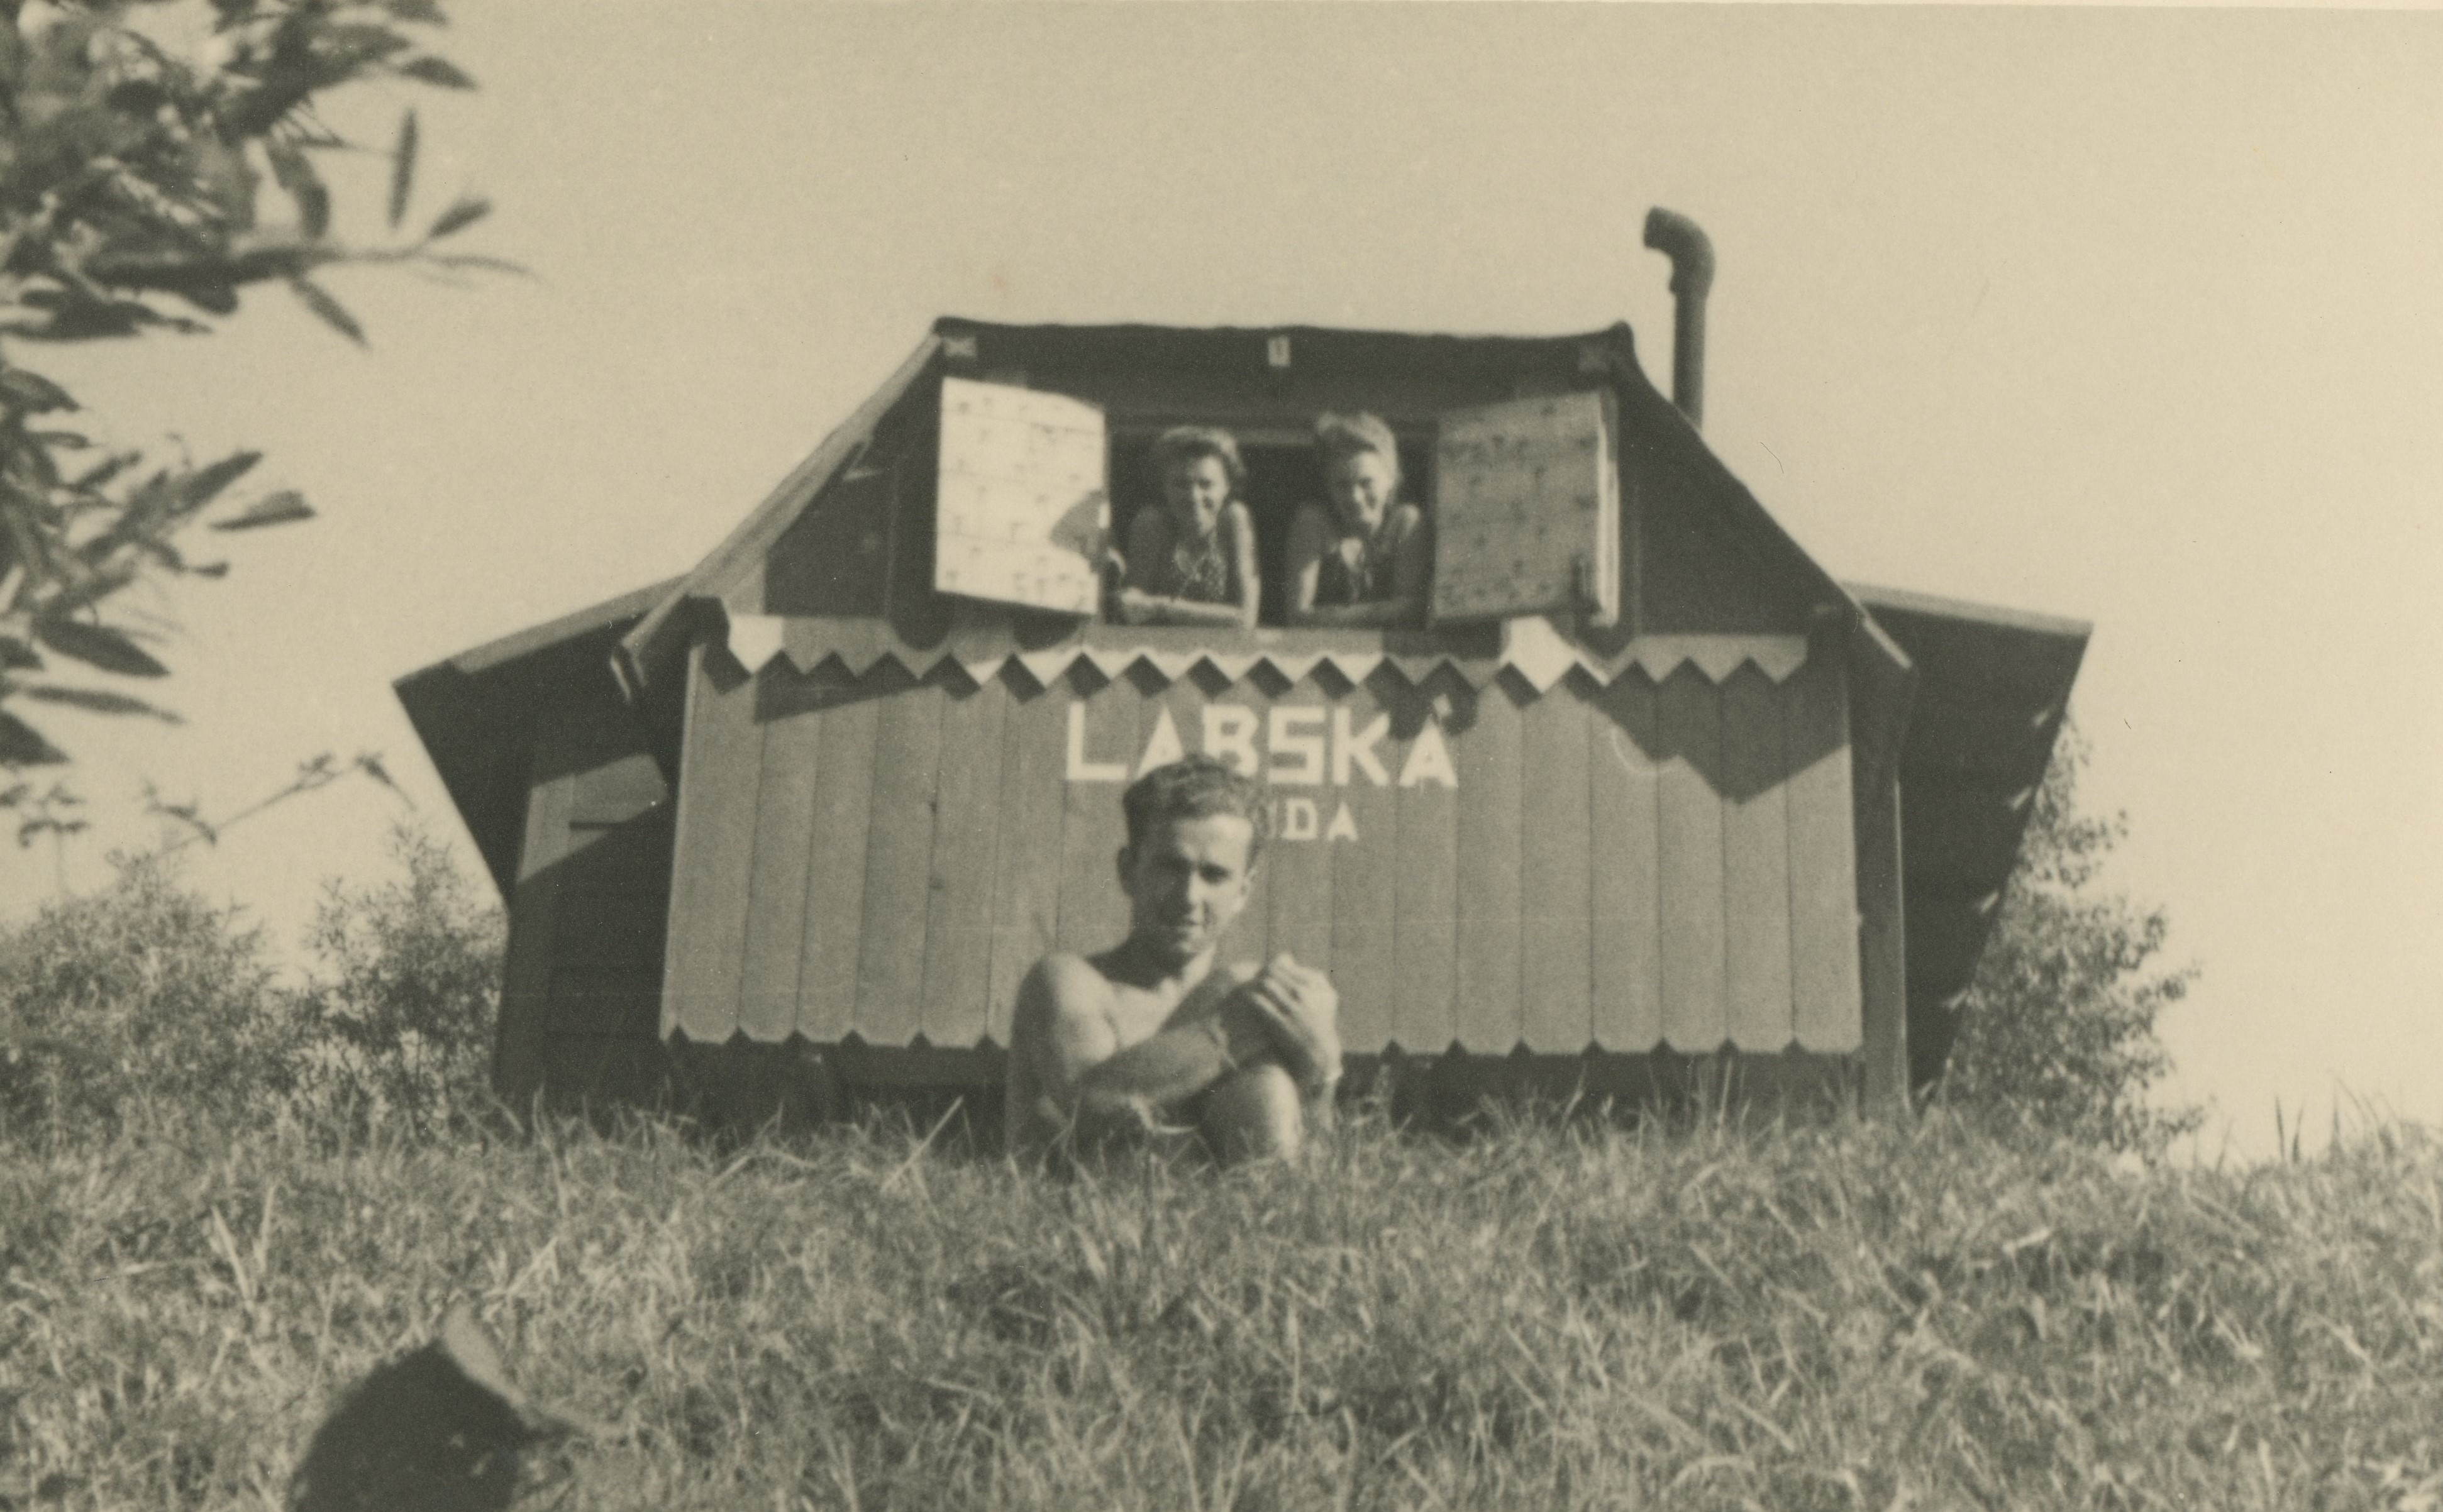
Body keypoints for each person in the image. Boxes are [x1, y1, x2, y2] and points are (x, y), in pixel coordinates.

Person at [1005, 756, 1343, 1164]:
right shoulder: (1073, 983)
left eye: (1214, 875)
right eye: (1171, 867)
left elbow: (1315, 1175)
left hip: (1241, 1203)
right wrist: (1227, 1032)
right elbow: (1088, 1107)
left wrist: (1320, 1074)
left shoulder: (1252, 995)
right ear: (1128, 870)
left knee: (1264, 1081)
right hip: (1087, 1205)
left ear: (1244, 890)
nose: (1188, 897)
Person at [1284, 411, 1432, 628]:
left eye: (1366, 483)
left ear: (1391, 479)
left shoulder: (1405, 523)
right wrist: (1384, 613)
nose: (1355, 497)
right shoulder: (1313, 523)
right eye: (1342, 485)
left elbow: (1411, 612)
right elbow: (1298, 617)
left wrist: (1329, 617)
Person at [1114, 426, 1262, 631]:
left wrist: (1163, 607)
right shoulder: (1152, 523)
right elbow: (1132, 609)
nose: (1193, 497)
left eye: (1206, 484)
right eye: (1180, 484)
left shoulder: (1234, 520)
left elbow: (1244, 618)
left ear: (1227, 487)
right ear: (1164, 486)